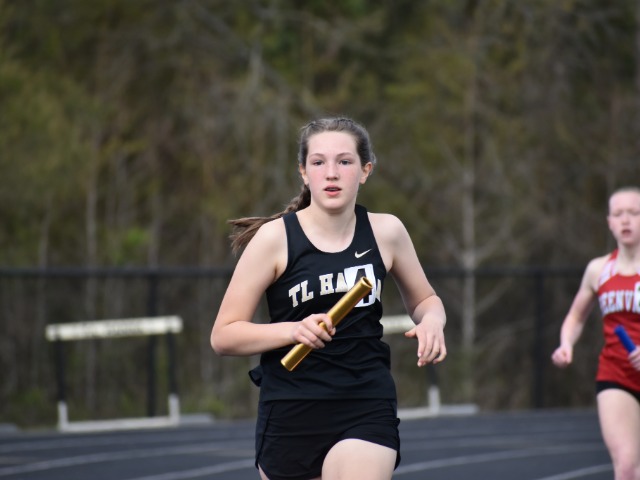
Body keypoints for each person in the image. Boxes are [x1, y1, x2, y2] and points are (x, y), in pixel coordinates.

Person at [211, 116, 447, 480]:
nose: (331, 173)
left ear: (365, 170)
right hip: (291, 409)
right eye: (319, 162)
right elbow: (223, 335)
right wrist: (293, 331)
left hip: (365, 400)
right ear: (304, 172)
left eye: (345, 161)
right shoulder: (274, 239)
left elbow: (425, 300)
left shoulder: (387, 231)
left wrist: (432, 320)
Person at [551, 186, 640, 480]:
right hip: (617, 374)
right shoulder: (598, 269)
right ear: (609, 222)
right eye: (618, 214)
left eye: (634, 213)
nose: (625, 220)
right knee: (626, 466)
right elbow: (576, 316)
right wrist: (566, 343)